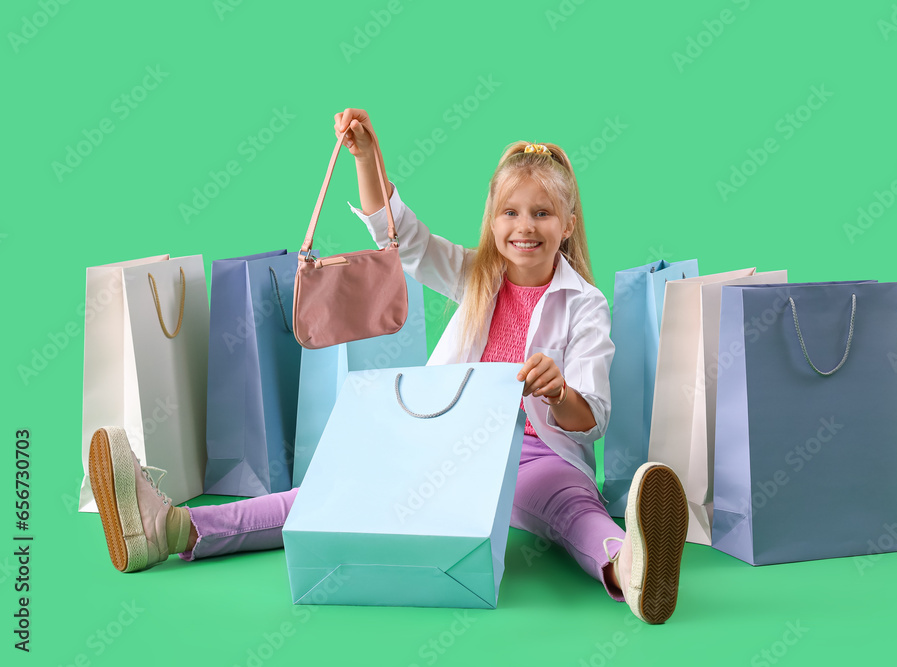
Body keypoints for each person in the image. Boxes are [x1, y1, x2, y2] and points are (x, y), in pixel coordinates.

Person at [87, 108, 689, 624]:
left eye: (541, 214)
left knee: (570, 509)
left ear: (568, 224)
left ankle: (631, 567)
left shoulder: (586, 304)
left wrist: (559, 393)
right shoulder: (475, 275)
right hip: (449, 442)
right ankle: (169, 530)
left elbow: (594, 417)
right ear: (492, 219)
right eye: (510, 213)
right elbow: (402, 236)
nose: (524, 227)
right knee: (328, 492)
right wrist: (367, 156)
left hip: (539, 454)